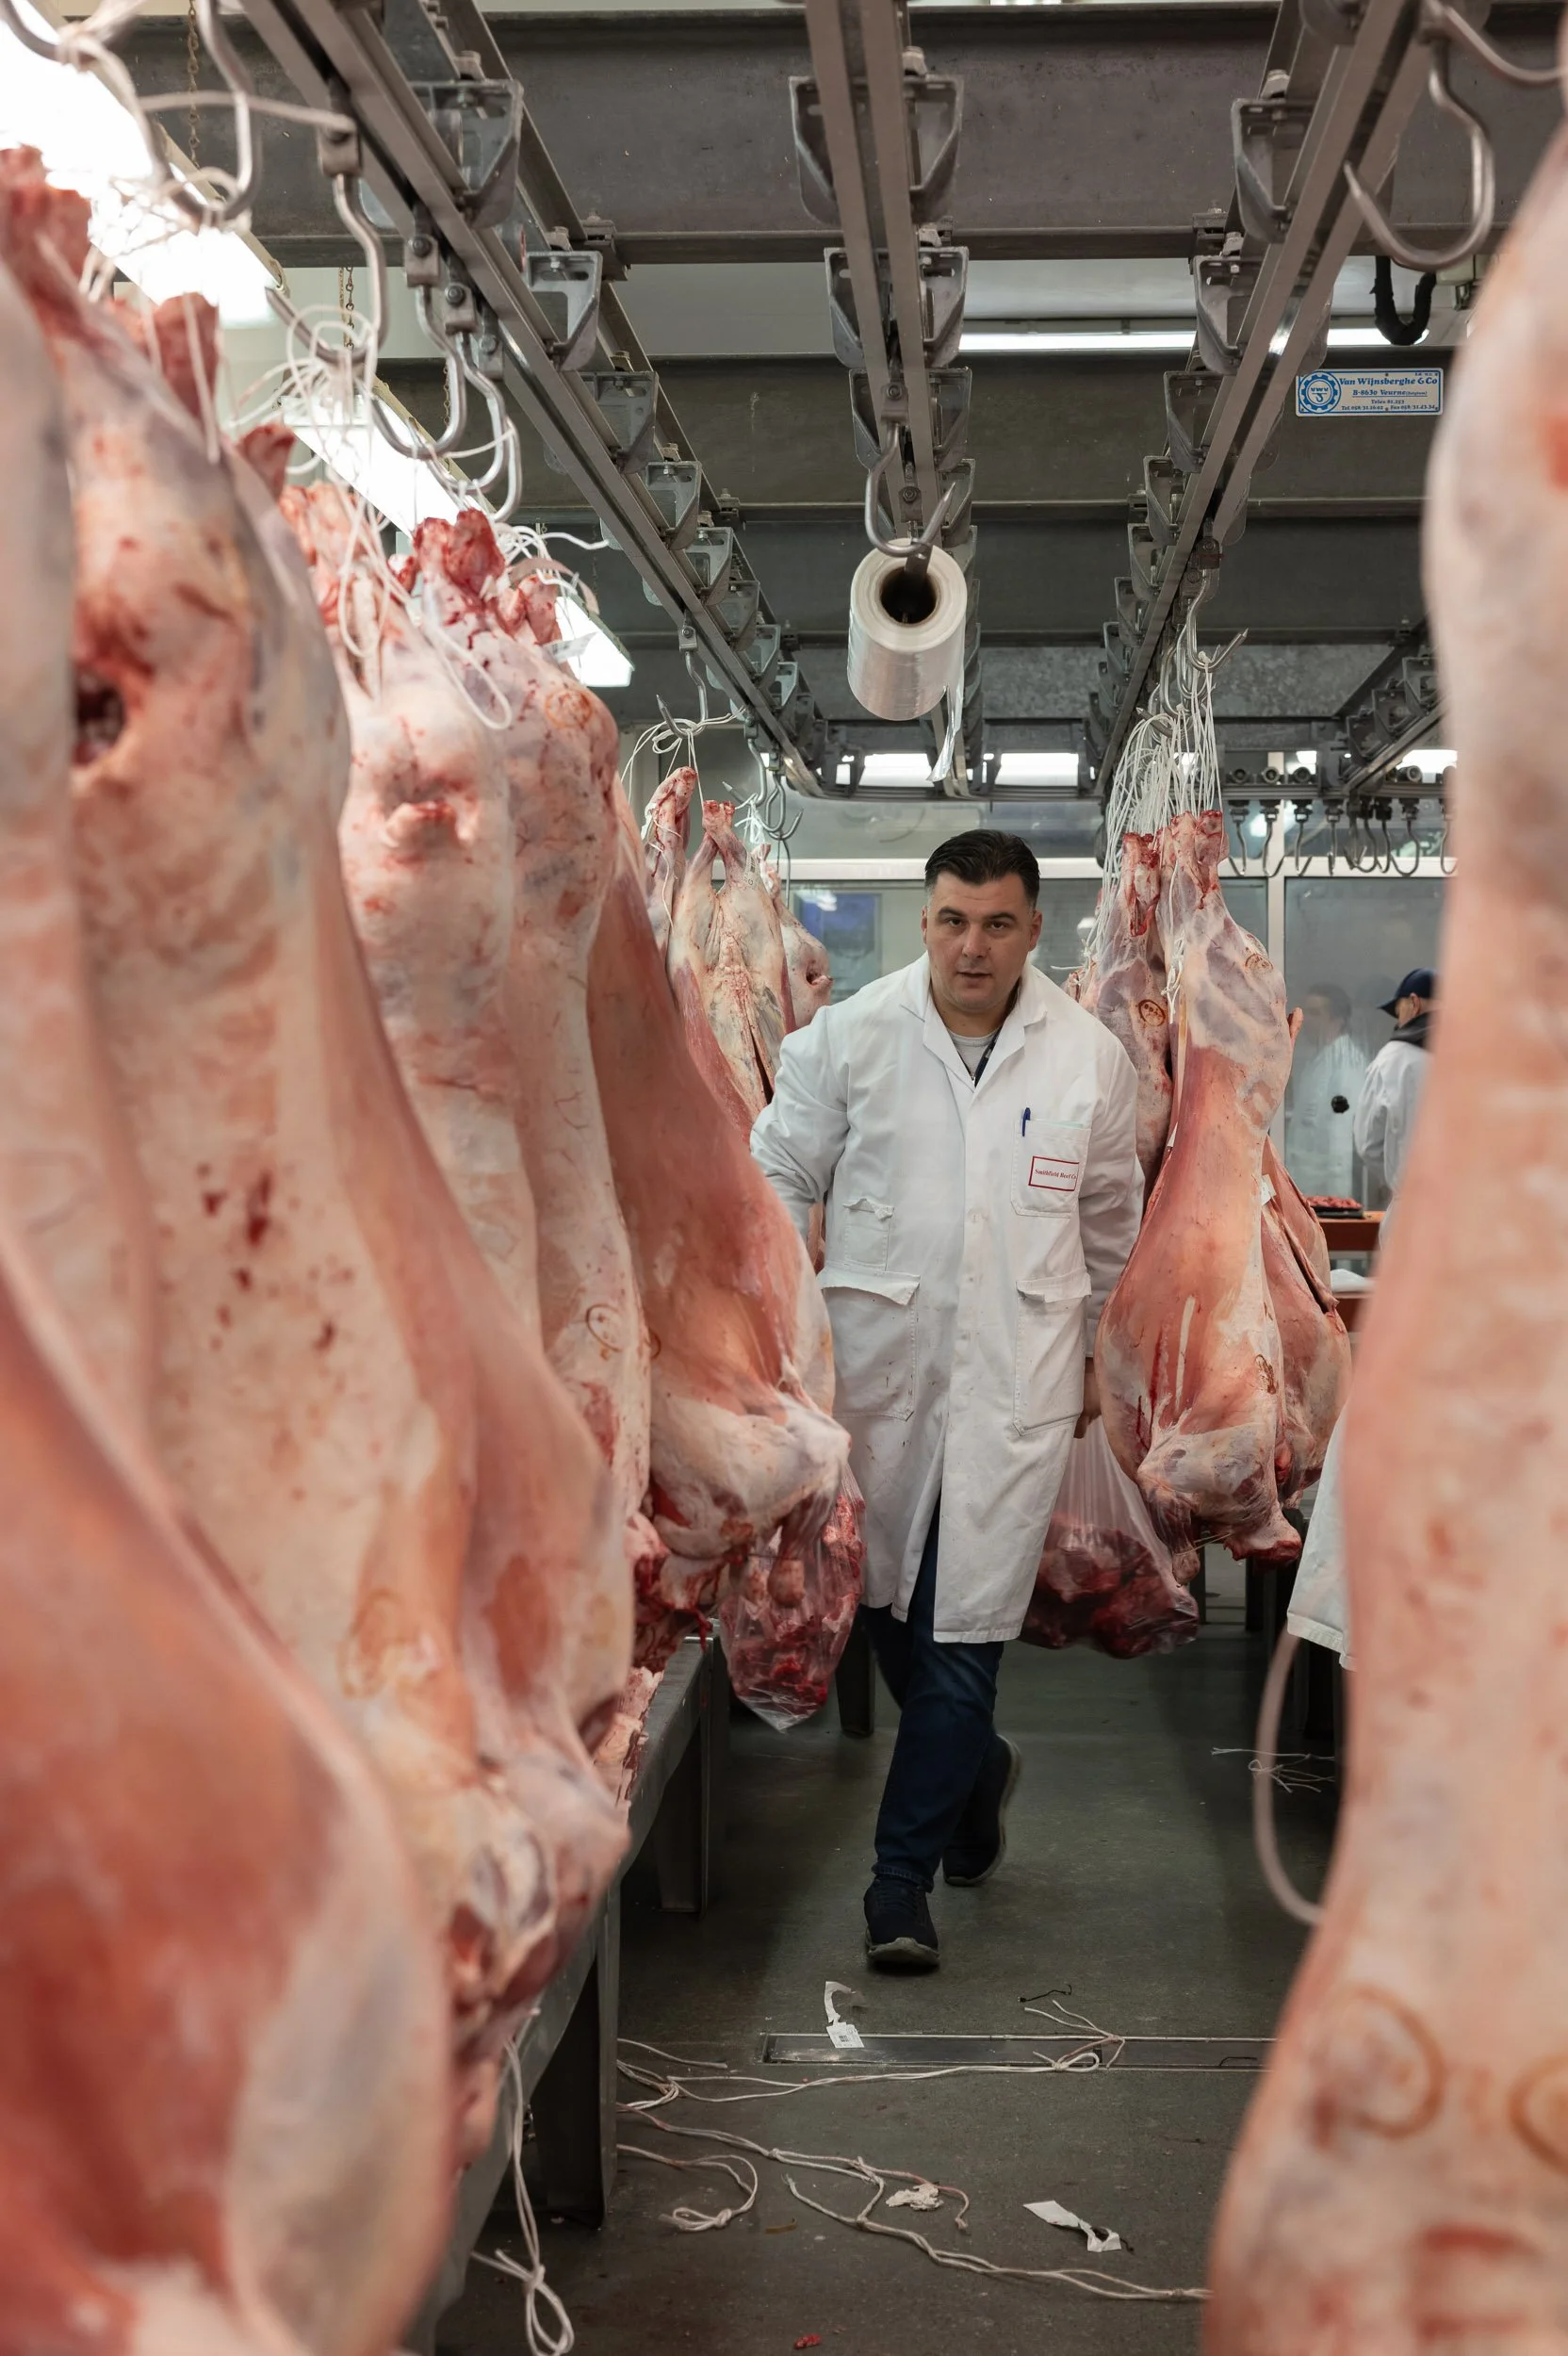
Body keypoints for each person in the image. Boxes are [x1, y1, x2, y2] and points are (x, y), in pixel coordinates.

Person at [751, 830, 1141, 1972]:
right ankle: (974, 1773)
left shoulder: (1085, 1060)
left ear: (1033, 929)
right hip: (873, 1370)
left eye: (998, 924)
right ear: (924, 922)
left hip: (1015, 1376)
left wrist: (1092, 1357)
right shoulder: (850, 1038)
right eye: (952, 921)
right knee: (880, 1612)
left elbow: (1110, 1226)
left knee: (963, 1629)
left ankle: (894, 1890)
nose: (972, 947)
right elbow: (775, 1172)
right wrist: (785, 1322)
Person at [1352, 967, 1437, 1202]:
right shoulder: (1484, 1055)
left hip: (1413, 1211)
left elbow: (1368, 1144)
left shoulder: (1394, 1060)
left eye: (1398, 1011)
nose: (1398, 1021)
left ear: (1414, 1003)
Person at [1285, 983, 1367, 1202]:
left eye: (1315, 1013)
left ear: (1337, 1020)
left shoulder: (1346, 1064)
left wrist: (1337, 1203)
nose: (1307, 1020)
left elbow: (1340, 1138)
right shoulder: (1320, 1060)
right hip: (1307, 1190)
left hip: (1326, 1196)